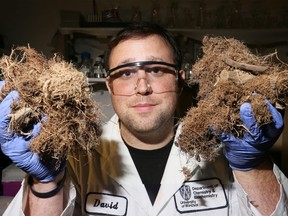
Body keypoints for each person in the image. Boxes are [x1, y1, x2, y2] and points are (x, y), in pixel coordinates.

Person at [1, 22, 288, 216]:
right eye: (126, 73)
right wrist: (47, 182)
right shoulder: (75, 158)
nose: (142, 87)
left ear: (180, 79)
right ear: (109, 86)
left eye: (157, 69)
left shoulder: (228, 148)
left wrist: (253, 166)